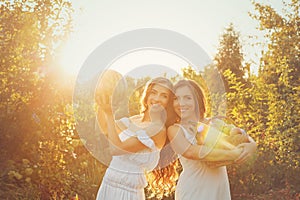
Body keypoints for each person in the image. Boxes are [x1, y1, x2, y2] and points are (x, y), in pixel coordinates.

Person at [167, 79, 257, 200]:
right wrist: (235, 154)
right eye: (176, 99)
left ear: (197, 100)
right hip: (193, 190)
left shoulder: (215, 122)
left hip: (219, 188)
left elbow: (239, 134)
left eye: (187, 98)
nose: (181, 103)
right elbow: (192, 152)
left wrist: (252, 144)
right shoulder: (175, 129)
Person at [96, 77, 176, 200]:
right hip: (109, 183)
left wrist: (110, 114)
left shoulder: (158, 129)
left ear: (168, 102)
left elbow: (116, 149)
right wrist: (102, 104)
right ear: (147, 95)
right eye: (153, 93)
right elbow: (106, 128)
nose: (157, 99)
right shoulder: (134, 120)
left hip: (128, 192)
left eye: (164, 96)